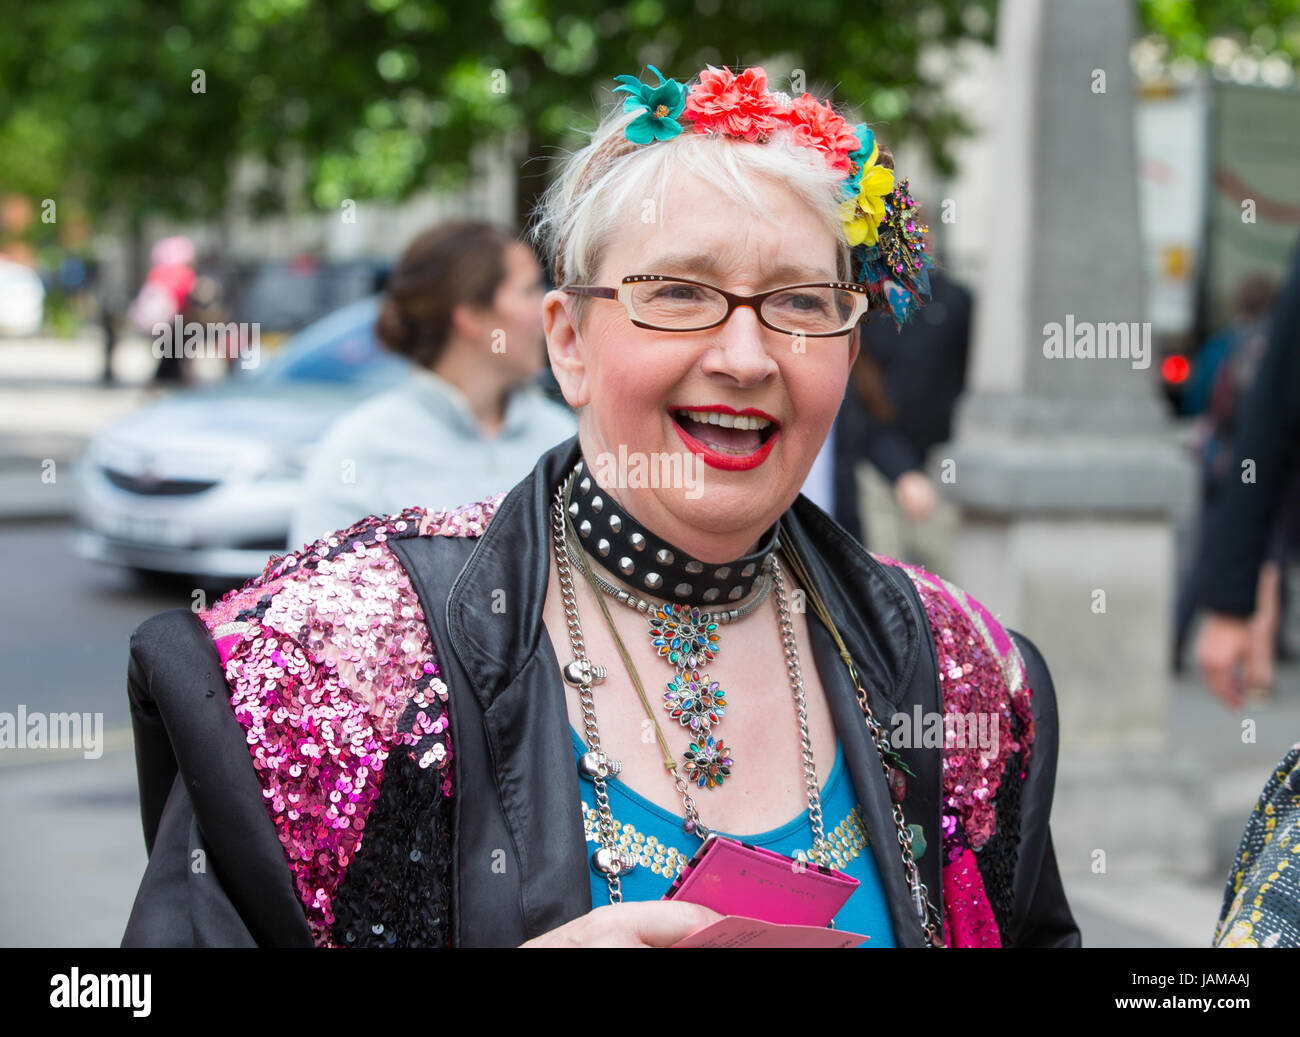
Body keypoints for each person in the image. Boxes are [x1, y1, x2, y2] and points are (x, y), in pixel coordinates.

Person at [121, 64, 1079, 948]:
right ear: (568, 342)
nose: (746, 359)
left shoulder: (960, 675)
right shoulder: (336, 668)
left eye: (798, 302)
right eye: (678, 293)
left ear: (847, 350)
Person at [288, 222, 577, 548]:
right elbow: (316, 593)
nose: (547, 308)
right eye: (529, 290)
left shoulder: (560, 436)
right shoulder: (361, 450)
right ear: (471, 315)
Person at [1197, 240, 1300, 709]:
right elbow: (1270, 418)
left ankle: (1259, 667)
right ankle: (1260, 668)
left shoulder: (1228, 346)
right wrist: (1228, 602)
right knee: (1273, 568)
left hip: (1256, 479)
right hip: (1268, 482)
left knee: (1273, 568)